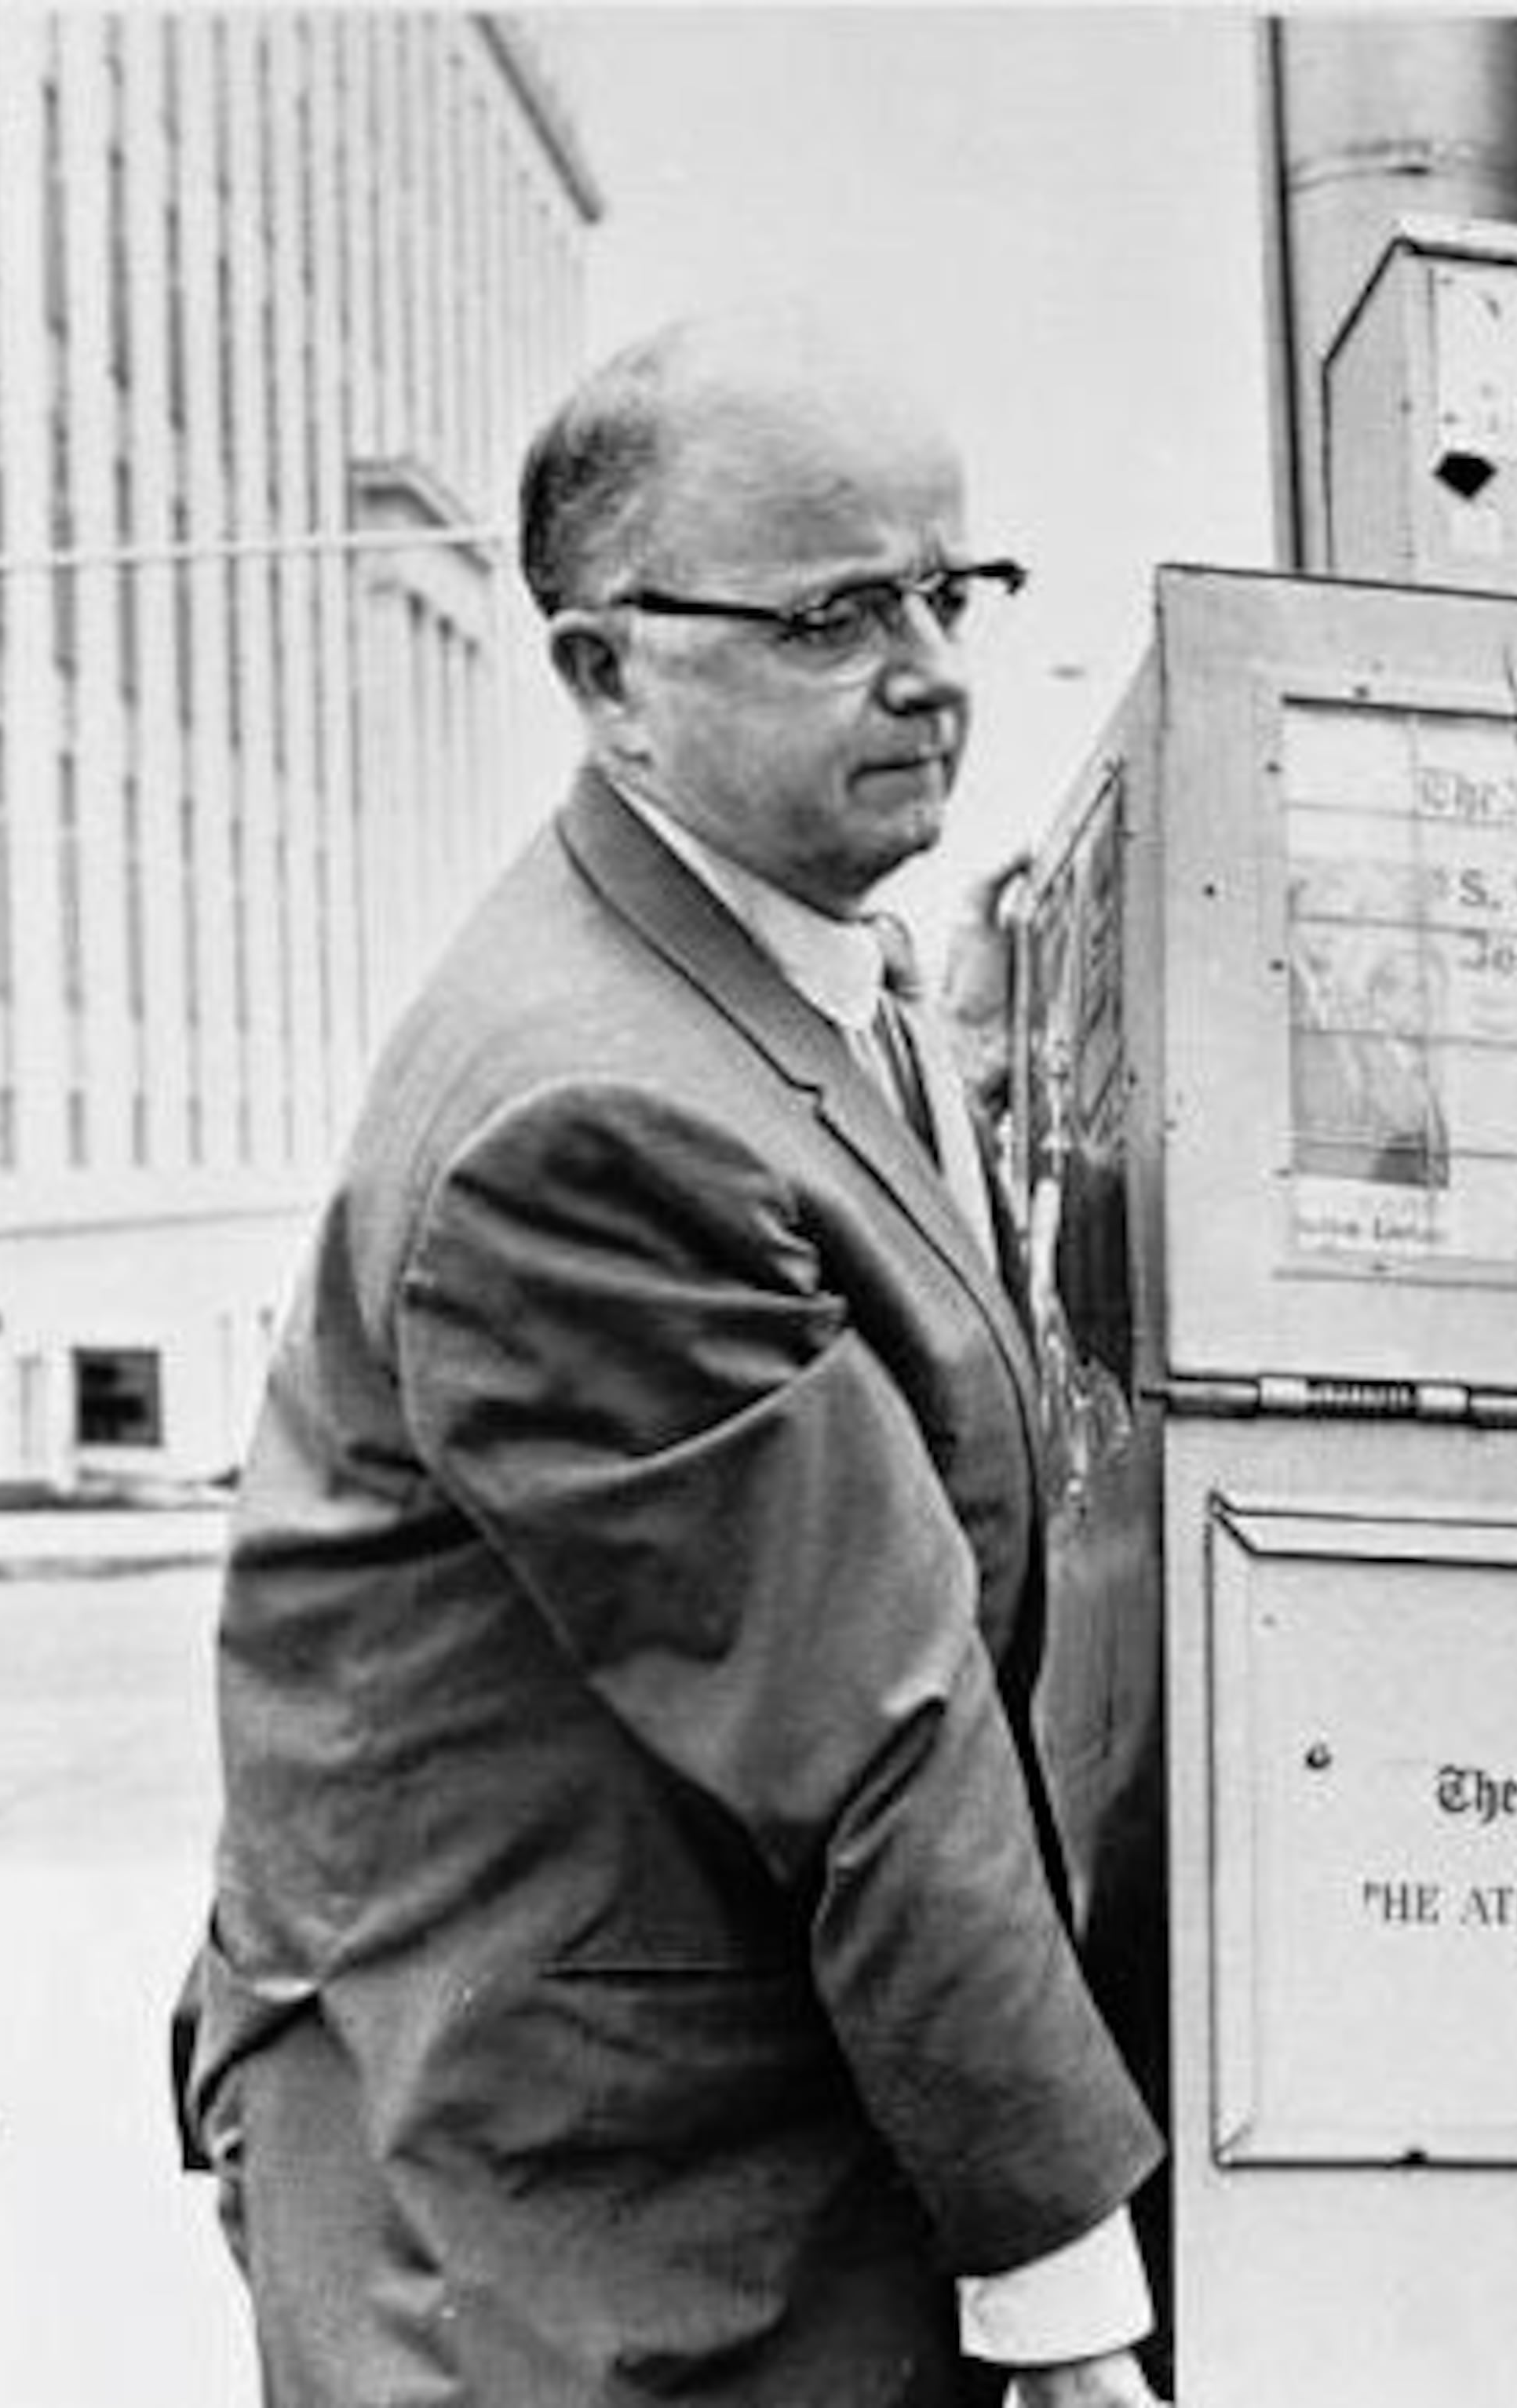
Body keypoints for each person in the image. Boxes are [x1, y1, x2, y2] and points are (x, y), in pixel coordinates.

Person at [171, 309, 1169, 2408]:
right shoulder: (594, 1116)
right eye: (831, 617)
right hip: (570, 2232)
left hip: (657, 2127)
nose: (931, 669)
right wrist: (1066, 2293)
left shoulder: (792, 957)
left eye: (950, 589)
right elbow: (872, 1718)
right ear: (607, 673)